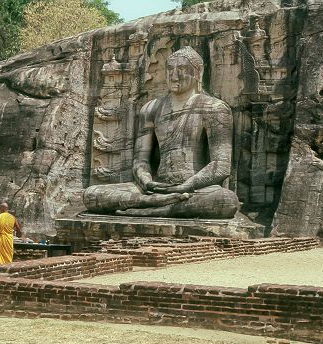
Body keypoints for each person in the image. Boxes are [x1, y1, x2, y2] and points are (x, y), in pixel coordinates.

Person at [83, 46, 240, 219]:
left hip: (195, 188)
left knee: (226, 200)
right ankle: (157, 203)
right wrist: (146, 181)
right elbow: (140, 159)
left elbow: (221, 166)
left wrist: (185, 186)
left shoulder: (214, 108)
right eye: (170, 69)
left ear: (197, 73)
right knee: (92, 194)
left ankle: (153, 209)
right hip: (157, 187)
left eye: (181, 69)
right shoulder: (151, 108)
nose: (174, 76)